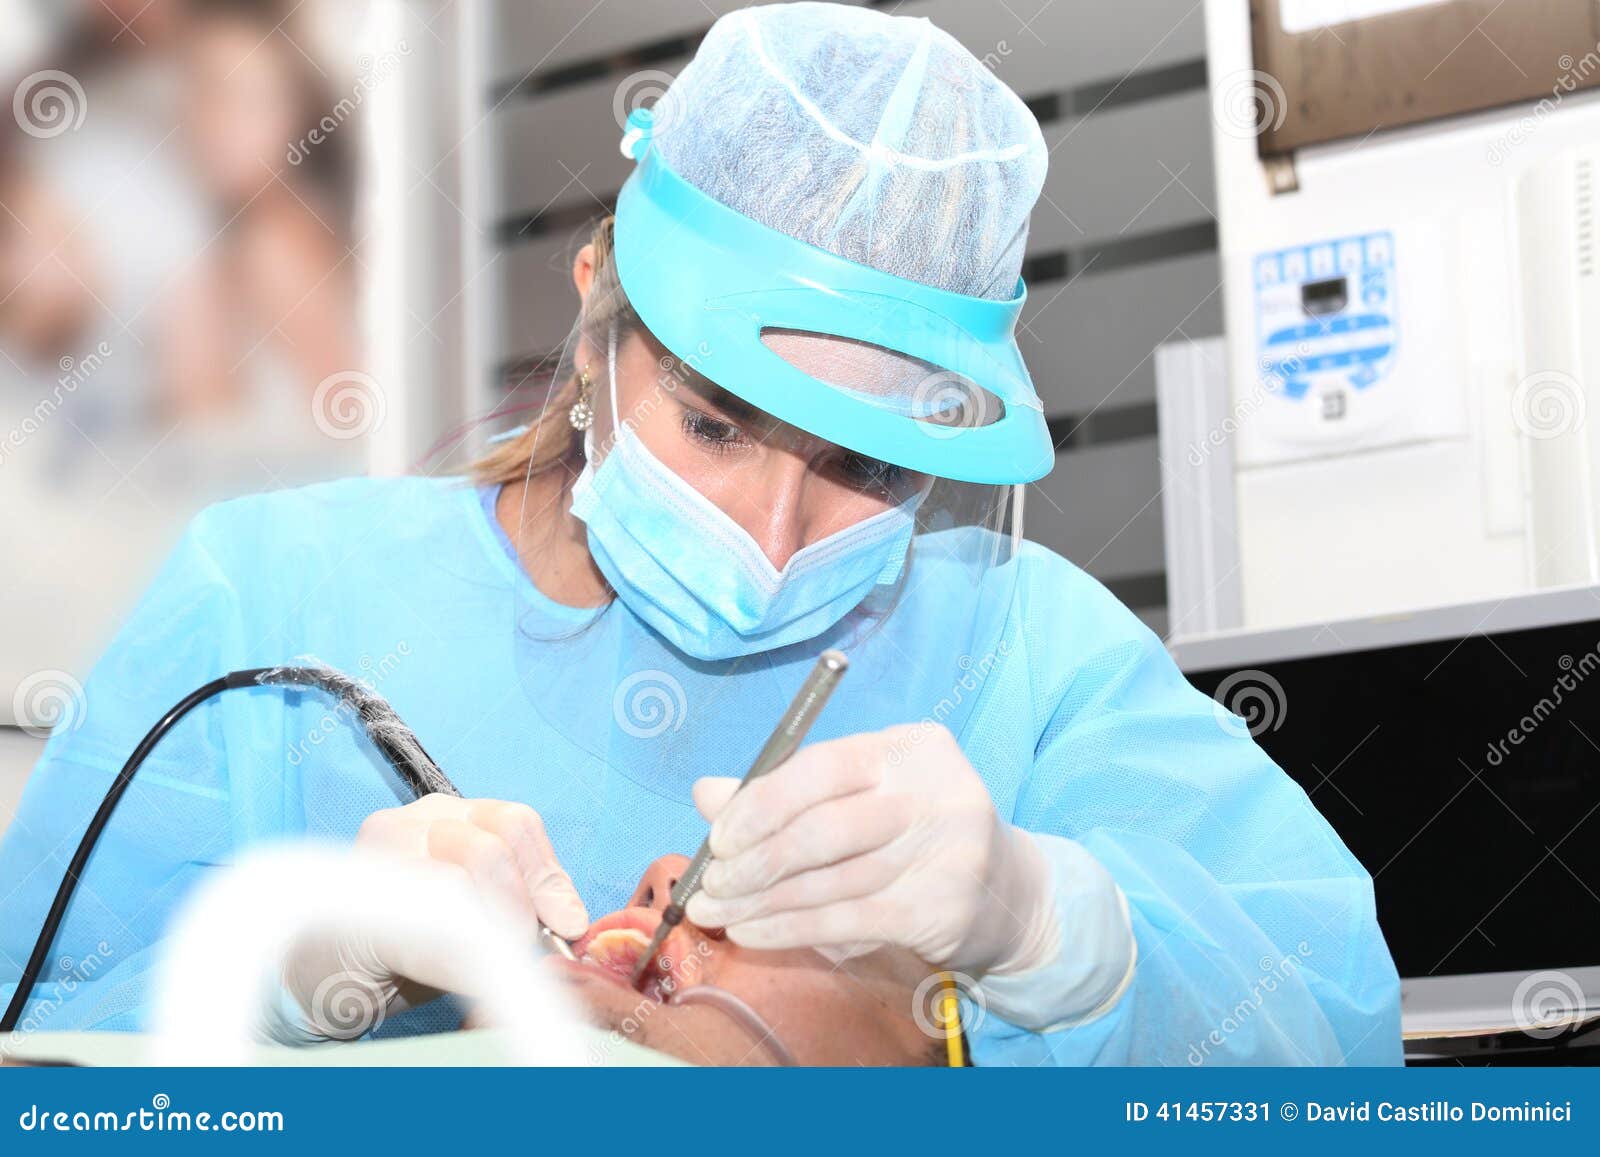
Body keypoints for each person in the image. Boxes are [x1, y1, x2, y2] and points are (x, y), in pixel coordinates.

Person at [0, 3, 1402, 1065]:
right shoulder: (272, 597)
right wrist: (300, 971)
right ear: (599, 296)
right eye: (717, 425)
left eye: (868, 465)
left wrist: (1047, 940)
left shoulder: (1032, 657)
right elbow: (40, 1060)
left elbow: (1335, 1038)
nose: (774, 537)